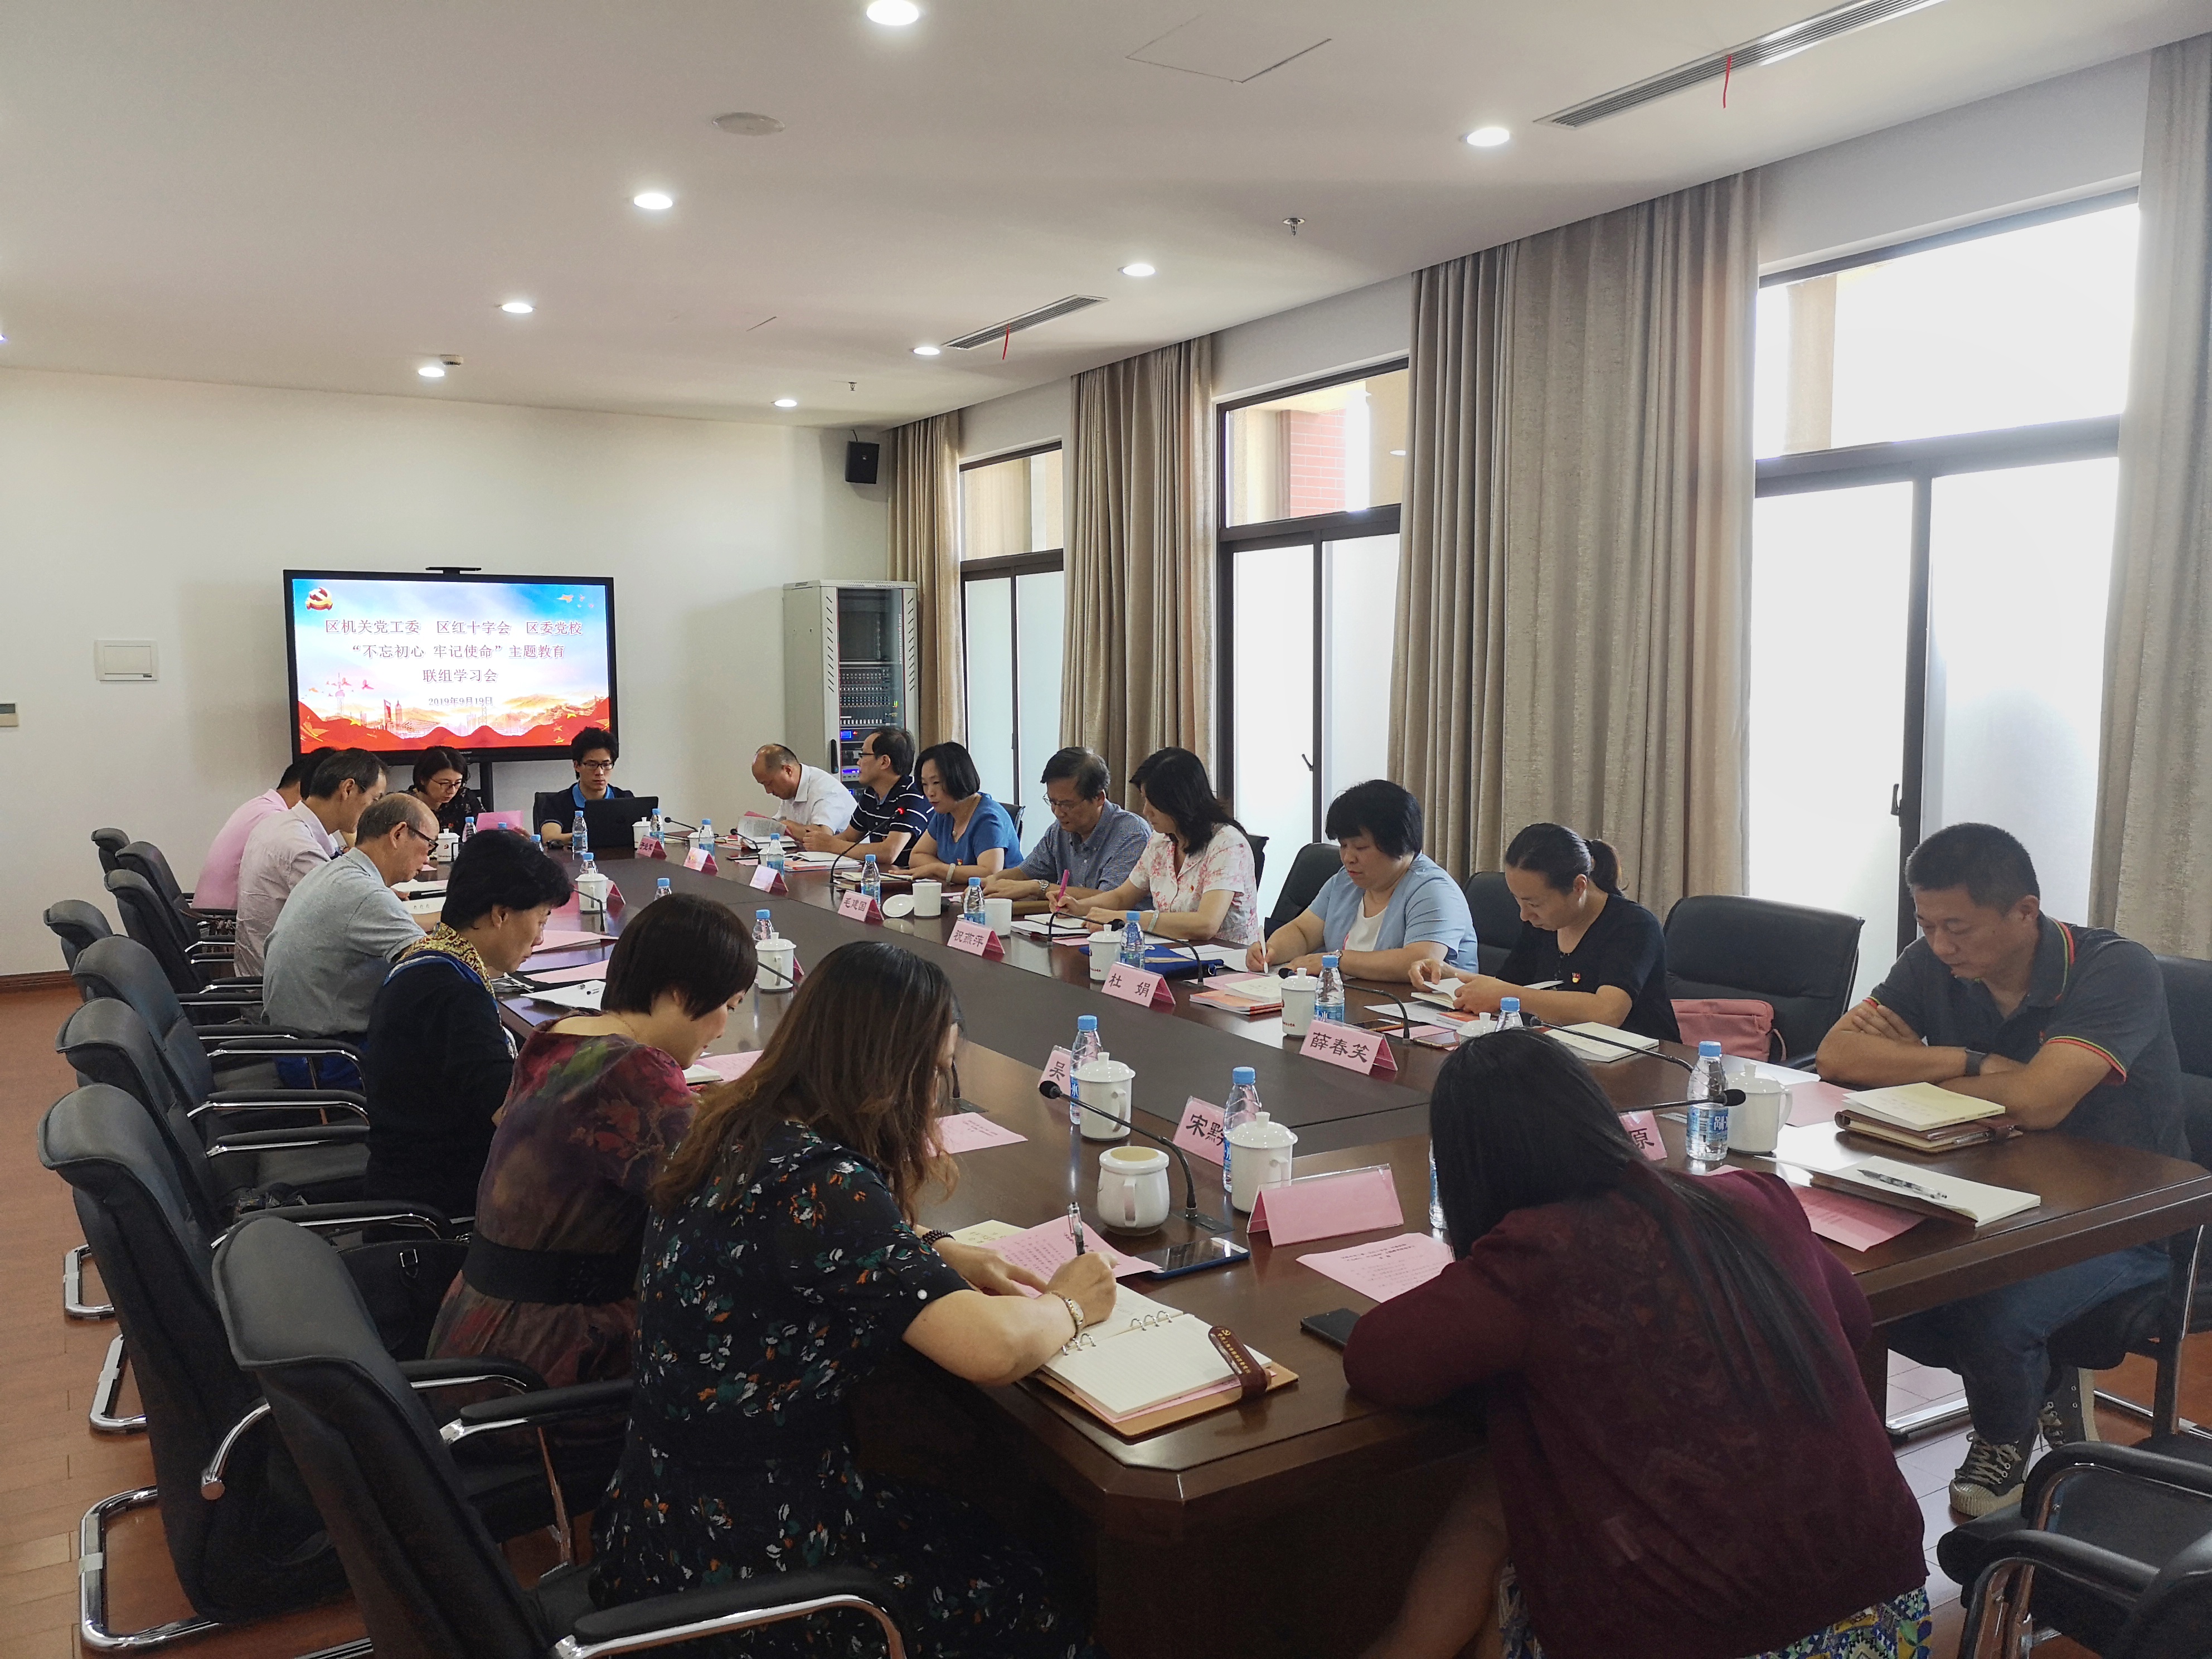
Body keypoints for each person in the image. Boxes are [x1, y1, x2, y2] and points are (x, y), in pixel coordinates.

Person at [591, 940, 1112, 1657]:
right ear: (887, 1070)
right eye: (935, 1070)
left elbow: (793, 1242)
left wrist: (930, 1247)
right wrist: (1071, 1304)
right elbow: (991, 1349)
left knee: (977, 1517)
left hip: (659, 1521)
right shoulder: (823, 1184)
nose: (937, 1093)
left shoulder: (735, 1125)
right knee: (1030, 1588)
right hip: (753, 1566)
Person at [1344, 1030, 1929, 1659]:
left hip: (1691, 1638)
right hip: (1885, 1618)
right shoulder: (1749, 1197)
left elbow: (1376, 1359)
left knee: (1505, 1541)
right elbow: (1851, 1317)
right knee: (1508, 1482)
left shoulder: (1534, 1256)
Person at [1816, 822, 2187, 1517]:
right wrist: (1973, 1062)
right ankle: (2038, 1381)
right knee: (1880, 1290)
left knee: (1989, 1314)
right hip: (1986, 1195)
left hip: (2119, 1218)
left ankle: (2002, 1435)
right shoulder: (1932, 963)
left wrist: (1908, 1074)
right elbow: (1837, 1057)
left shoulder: (2113, 969)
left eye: (1957, 927)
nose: (1939, 946)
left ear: (2024, 911)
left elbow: (2041, 1101)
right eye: (1926, 925)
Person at [428, 893, 756, 1391]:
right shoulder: (634, 1070)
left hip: (480, 1332)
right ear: (678, 994)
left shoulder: (560, 1036)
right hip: (547, 1358)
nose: (724, 1026)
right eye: (728, 1006)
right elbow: (731, 1196)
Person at [360, 830, 573, 1222]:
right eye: (541, 921)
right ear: (500, 914)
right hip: (443, 1206)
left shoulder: (430, 958)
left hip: (413, 1177)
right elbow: (512, 1114)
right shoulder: (453, 993)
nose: (540, 940)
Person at [1410, 823, 1680, 1042]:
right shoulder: (1542, 924)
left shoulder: (1634, 926)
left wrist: (1508, 995)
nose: (1524, 915)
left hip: (1640, 1064)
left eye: (1535, 904)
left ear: (1578, 887)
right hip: (1560, 1053)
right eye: (1518, 901)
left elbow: (1608, 1012)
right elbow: (1506, 984)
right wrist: (1449, 974)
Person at [1249, 779, 1479, 984]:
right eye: (1343, 845)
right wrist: (1273, 950)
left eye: (1361, 847)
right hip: (1353, 1003)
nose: (1348, 858)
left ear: (1398, 844)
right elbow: (1303, 932)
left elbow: (1420, 961)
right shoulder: (1346, 881)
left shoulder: (1434, 890)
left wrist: (1335, 961)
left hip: (1418, 1013)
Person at [261, 793, 438, 1041]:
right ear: (398, 834)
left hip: (293, 1038)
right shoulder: (366, 893)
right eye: (429, 844)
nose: (428, 858)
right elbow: (436, 968)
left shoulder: (332, 871)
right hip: (329, 1051)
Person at [1078, 747, 1260, 947]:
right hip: (1170, 951)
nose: (1146, 811)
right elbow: (1122, 897)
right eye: (1145, 800)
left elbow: (1206, 924)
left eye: (1153, 803)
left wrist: (1126, 918)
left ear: (1179, 802)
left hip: (1225, 960)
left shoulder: (1227, 844)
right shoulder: (1161, 841)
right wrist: (1077, 907)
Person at [235, 748, 386, 975]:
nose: (374, 810)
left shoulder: (287, 823)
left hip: (271, 966)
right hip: (281, 982)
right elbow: (354, 918)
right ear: (348, 789)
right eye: (375, 800)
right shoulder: (300, 847)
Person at [983, 746, 1151, 907]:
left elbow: (1110, 899)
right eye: (1052, 802)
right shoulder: (1059, 831)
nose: (1058, 812)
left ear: (1099, 798)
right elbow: (1024, 873)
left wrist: (1039, 888)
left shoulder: (1131, 834)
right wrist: (991, 882)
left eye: (1067, 804)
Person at [195, 746, 333, 911]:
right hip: (222, 920)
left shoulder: (262, 806)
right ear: (304, 788)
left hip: (215, 914)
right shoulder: (275, 819)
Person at [796, 726, 930, 867]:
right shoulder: (872, 793)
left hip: (912, 879)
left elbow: (889, 852)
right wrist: (818, 843)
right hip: (882, 875)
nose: (858, 762)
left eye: (863, 755)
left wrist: (830, 845)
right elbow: (849, 837)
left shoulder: (913, 794)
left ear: (884, 762)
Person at [907, 740, 1019, 886]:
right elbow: (916, 856)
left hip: (1000, 897)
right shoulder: (945, 813)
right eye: (924, 784)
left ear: (958, 778)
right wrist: (944, 871)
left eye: (936, 783)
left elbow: (990, 873)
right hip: (958, 894)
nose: (930, 793)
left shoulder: (988, 819)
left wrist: (939, 870)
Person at [753, 741, 857, 838]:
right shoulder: (790, 790)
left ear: (788, 771)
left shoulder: (824, 790)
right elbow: (778, 824)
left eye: (769, 784)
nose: (768, 791)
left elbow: (823, 836)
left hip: (846, 852)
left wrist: (788, 826)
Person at [407, 745, 483, 835]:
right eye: (445, 784)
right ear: (423, 779)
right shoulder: (405, 805)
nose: (452, 791)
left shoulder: (465, 798)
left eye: (458, 783)